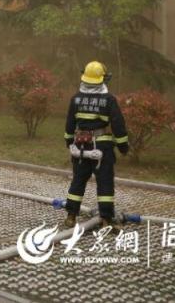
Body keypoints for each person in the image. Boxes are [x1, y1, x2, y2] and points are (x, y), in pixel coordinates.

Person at [62, 60, 129, 228]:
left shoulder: (76, 99)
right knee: (105, 183)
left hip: (80, 146)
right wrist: (123, 146)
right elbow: (118, 124)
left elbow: (70, 124)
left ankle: (71, 216)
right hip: (102, 148)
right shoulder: (108, 99)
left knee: (78, 180)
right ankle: (106, 219)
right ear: (102, 80)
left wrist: (70, 143)